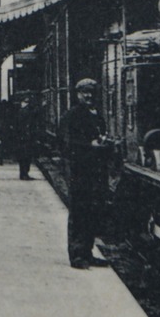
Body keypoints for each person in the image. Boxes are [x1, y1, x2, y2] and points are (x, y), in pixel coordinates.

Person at [61, 78, 113, 269]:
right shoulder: (73, 115)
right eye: (84, 92)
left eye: (91, 92)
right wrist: (89, 145)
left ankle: (88, 252)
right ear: (78, 94)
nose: (88, 95)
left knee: (92, 211)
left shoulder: (97, 115)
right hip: (79, 170)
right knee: (79, 211)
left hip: (96, 171)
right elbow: (67, 143)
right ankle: (76, 255)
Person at [16, 93, 41, 180]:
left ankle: (23, 173)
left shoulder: (21, 111)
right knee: (26, 156)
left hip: (22, 137)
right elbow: (33, 115)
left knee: (24, 157)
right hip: (26, 138)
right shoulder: (24, 111)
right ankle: (24, 174)